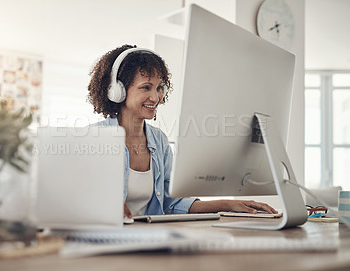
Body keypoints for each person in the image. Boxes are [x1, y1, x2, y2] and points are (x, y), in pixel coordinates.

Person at [87, 44, 277, 219]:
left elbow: (173, 203)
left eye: (159, 88)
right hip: (108, 236)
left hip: (150, 236)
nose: (156, 97)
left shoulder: (158, 140)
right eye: (146, 87)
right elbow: (76, 197)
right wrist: (100, 204)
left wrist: (229, 204)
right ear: (116, 91)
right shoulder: (95, 138)